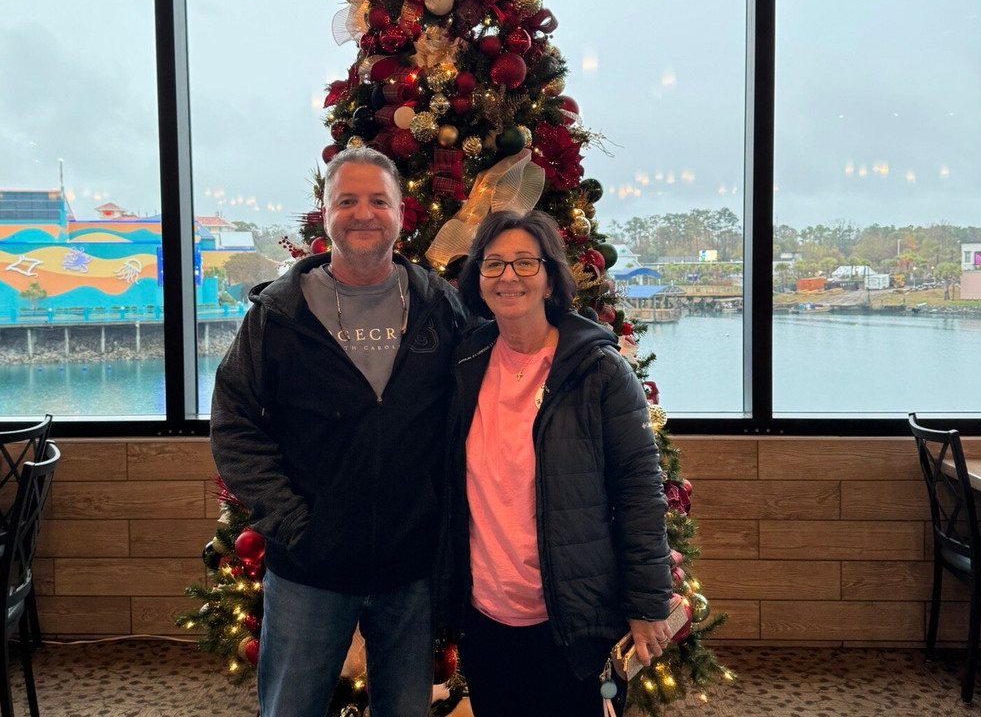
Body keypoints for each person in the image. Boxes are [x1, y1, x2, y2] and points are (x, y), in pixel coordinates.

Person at [210, 147, 465, 717]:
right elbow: (233, 423)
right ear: (324, 214)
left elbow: (476, 411)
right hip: (310, 569)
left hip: (411, 567)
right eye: (346, 201)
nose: (363, 214)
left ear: (402, 212)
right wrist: (293, 525)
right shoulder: (278, 315)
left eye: (378, 200)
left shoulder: (439, 306)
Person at [445, 210, 673, 717]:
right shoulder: (465, 364)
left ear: (550, 278)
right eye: (493, 263)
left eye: (525, 262)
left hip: (574, 620)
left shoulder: (600, 371)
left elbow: (639, 492)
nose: (508, 276)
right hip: (485, 618)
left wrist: (646, 604)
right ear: (478, 279)